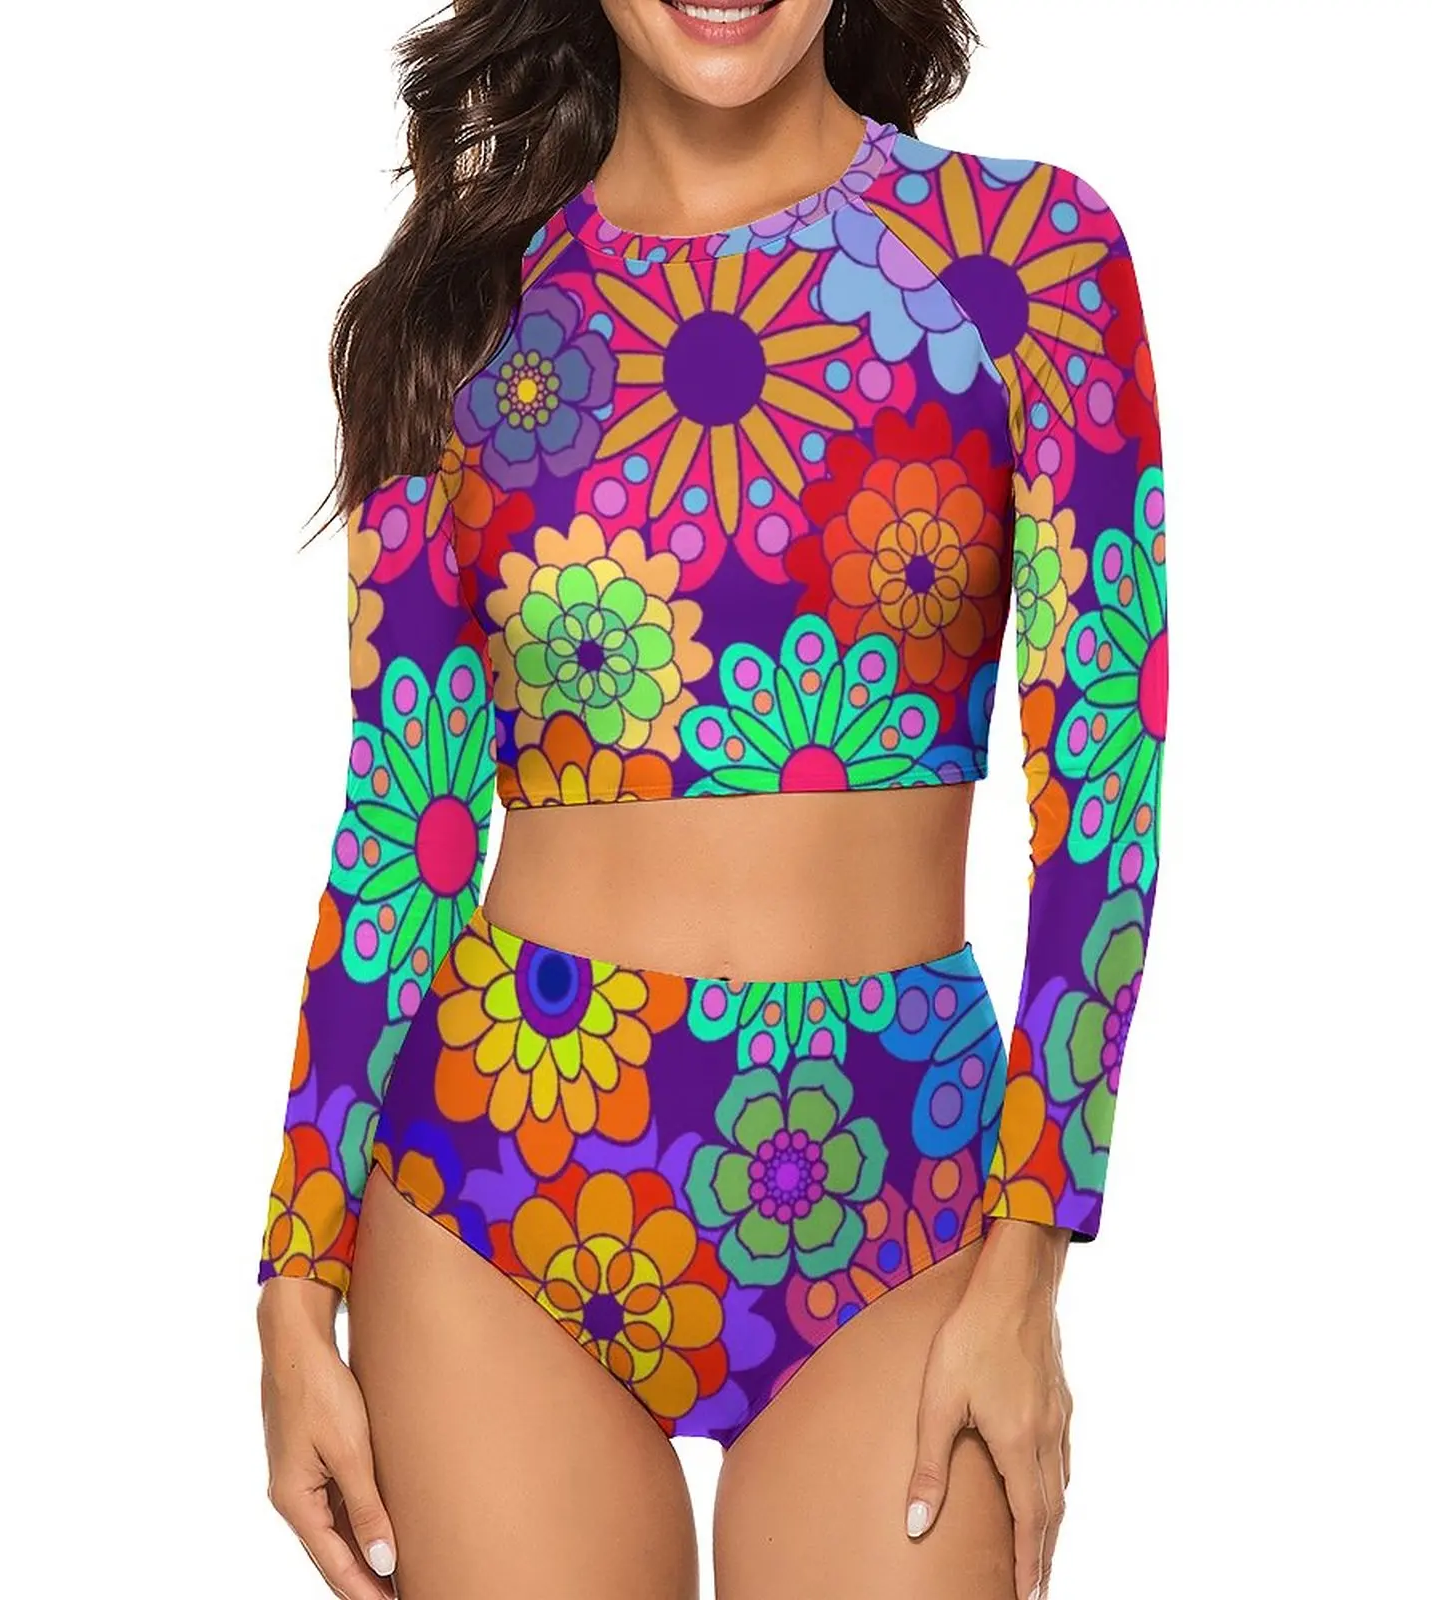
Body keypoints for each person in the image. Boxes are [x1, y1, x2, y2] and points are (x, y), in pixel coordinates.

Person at [256, 3, 1167, 1597]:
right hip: (500, 1187)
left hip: (912, 1188)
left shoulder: (1026, 260)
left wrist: (1032, 1254)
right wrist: (292, 1273)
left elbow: (1106, 786)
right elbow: (408, 816)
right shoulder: (463, 315)